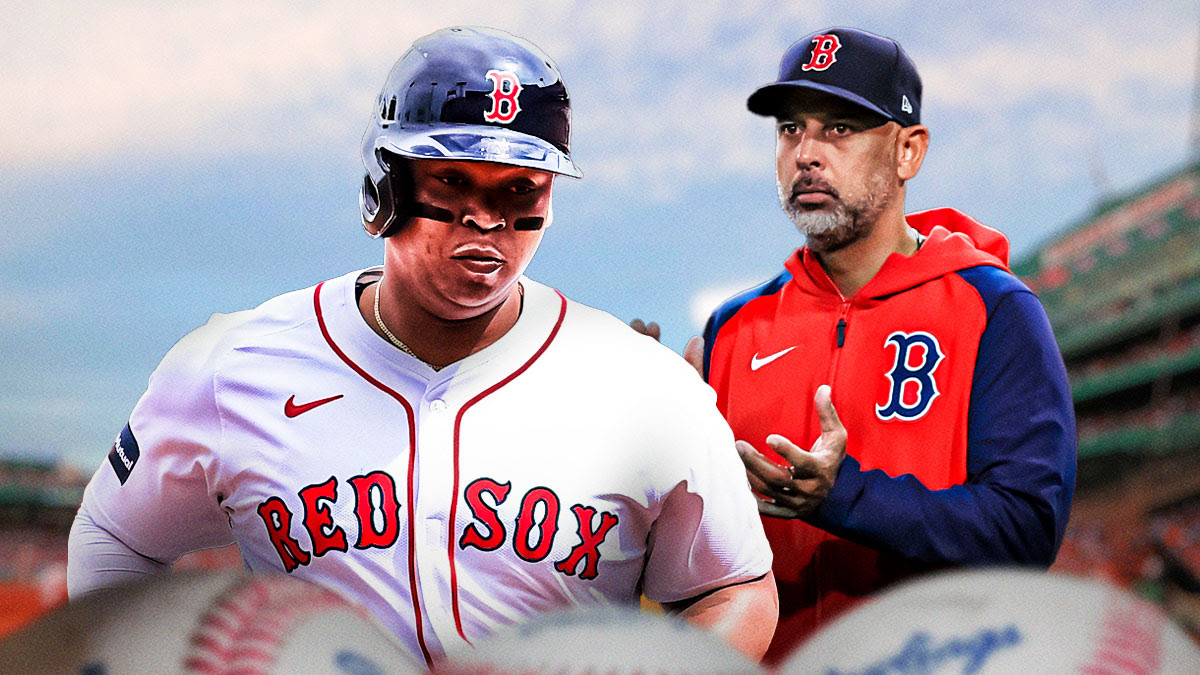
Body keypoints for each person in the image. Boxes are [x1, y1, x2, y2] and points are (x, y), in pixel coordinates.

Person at [66, 26, 777, 667]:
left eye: (520, 186)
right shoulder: (231, 367)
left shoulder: (644, 386)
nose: (487, 217)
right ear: (386, 183)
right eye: (453, 177)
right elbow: (115, 534)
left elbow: (734, 588)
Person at [691, 27, 1076, 662]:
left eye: (838, 129)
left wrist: (845, 497)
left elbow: (1026, 530)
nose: (806, 154)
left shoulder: (995, 309)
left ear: (907, 152)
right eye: (791, 129)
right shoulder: (734, 329)